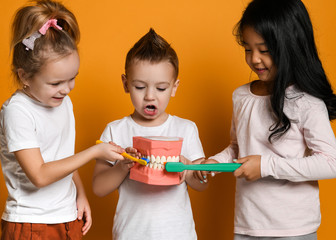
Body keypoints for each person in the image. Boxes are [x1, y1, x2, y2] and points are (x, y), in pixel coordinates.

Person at [195, 0, 336, 239]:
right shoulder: (241, 96)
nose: (254, 59)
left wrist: (265, 166)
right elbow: (237, 147)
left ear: (290, 46)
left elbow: (331, 163)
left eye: (264, 49)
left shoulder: (306, 102)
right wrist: (215, 163)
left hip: (294, 228)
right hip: (248, 225)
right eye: (248, 49)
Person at [0, 1, 125, 239]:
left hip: (67, 219)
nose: (66, 89)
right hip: (31, 224)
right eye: (56, 83)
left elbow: (62, 156)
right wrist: (94, 153)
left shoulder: (62, 102)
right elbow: (39, 175)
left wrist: (80, 193)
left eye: (72, 79)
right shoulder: (17, 111)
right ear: (24, 76)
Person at [92, 28, 207, 240]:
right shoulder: (115, 130)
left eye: (161, 88)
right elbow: (98, 188)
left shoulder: (186, 129)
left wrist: (190, 168)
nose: (150, 96)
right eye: (139, 87)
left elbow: (200, 185)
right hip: (131, 234)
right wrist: (123, 166)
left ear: (174, 87)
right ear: (126, 84)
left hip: (178, 235)